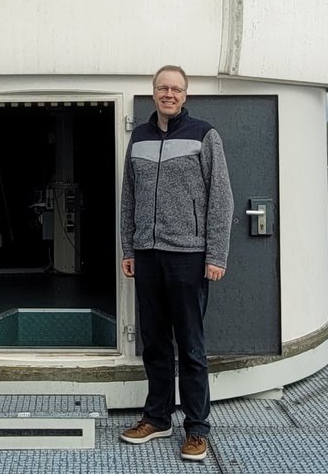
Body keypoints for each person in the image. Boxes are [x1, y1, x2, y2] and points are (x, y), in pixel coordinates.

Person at [120, 66, 234, 462]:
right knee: (154, 342)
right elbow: (128, 198)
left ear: (185, 95)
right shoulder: (139, 136)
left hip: (189, 255)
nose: (168, 94)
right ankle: (157, 417)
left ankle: (197, 429)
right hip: (147, 255)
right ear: (153, 93)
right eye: (162, 88)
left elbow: (221, 199)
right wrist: (128, 248)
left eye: (176, 89)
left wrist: (216, 255)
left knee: (190, 346)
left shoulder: (204, 135)